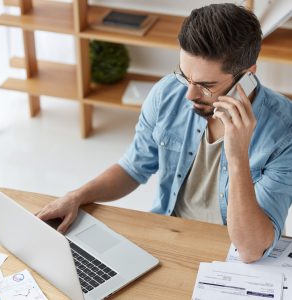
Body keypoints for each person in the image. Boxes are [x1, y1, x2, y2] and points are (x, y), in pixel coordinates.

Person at [37, 3, 292, 263]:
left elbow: (251, 250)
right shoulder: (168, 92)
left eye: (206, 86)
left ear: (248, 74)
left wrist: (237, 157)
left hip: (234, 256)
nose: (189, 95)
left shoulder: (285, 130)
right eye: (185, 76)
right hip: (170, 235)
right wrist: (76, 196)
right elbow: (132, 168)